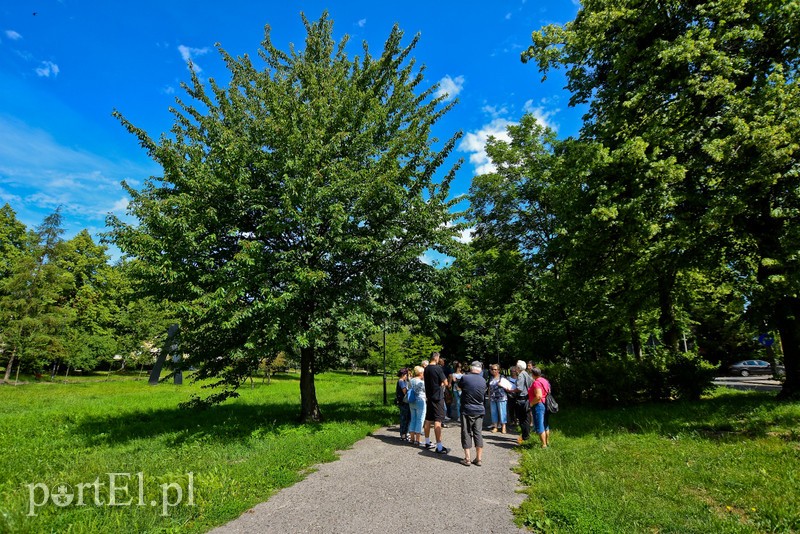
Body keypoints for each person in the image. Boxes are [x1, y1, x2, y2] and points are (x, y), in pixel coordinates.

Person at [458, 361, 487, 466]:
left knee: (466, 432)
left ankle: (467, 458)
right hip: (479, 410)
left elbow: (459, 386)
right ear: (480, 370)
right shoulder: (483, 380)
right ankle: (479, 459)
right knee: (478, 433)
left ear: (471, 368)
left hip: (467, 409)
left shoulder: (465, 378)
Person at [423, 352, 449, 454]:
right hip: (438, 397)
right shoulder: (438, 368)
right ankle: (439, 446)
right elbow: (446, 382)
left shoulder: (426, 369)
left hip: (429, 396)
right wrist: (442, 383)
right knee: (438, 420)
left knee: (428, 419)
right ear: (437, 358)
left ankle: (427, 441)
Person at [529, 366, 551, 448]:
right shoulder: (545, 381)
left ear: (533, 374)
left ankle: (544, 444)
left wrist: (531, 403)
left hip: (539, 405)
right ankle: (547, 442)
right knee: (546, 424)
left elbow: (538, 396)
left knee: (540, 424)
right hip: (546, 403)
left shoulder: (536, 382)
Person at [513, 360, 533, 445]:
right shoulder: (526, 374)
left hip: (521, 399)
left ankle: (525, 437)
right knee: (526, 418)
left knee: (522, 419)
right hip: (527, 399)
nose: (515, 368)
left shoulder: (521, 375)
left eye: (516, 367)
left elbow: (520, 388)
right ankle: (526, 436)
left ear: (518, 368)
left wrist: (511, 390)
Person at [488, 364, 511, 433]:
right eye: (492, 369)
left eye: (495, 369)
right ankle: (495, 426)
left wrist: (502, 385)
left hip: (501, 397)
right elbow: (489, 388)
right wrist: (489, 397)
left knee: (502, 412)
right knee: (494, 412)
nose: (493, 371)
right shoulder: (491, 378)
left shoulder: (502, 377)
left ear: (498, 370)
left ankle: (504, 426)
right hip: (493, 398)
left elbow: (508, 387)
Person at [408, 366, 427, 447]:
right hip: (420, 401)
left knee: (413, 419)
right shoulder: (421, 382)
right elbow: (426, 391)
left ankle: (412, 438)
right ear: (420, 373)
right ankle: (418, 440)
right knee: (420, 419)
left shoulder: (410, 381)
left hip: (412, 401)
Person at [395, 368, 411, 442]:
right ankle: (403, 434)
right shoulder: (401, 381)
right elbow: (404, 391)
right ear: (403, 375)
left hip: (404, 402)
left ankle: (405, 433)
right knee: (404, 418)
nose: (406, 376)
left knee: (406, 418)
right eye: (406, 375)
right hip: (403, 402)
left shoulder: (403, 381)